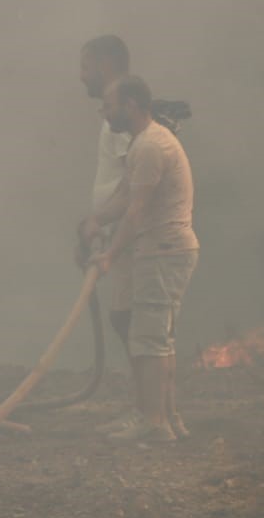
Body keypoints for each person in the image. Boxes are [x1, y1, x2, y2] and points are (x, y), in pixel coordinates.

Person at [82, 76, 199, 444]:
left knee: (150, 340)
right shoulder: (141, 143)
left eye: (109, 106)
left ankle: (155, 423)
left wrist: (109, 255)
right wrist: (96, 220)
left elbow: (135, 211)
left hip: (165, 249)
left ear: (131, 105)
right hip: (157, 250)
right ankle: (159, 415)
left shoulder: (152, 146)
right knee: (152, 337)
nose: (104, 113)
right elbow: (123, 198)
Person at [77, 35, 134, 359]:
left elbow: (134, 180)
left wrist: (100, 221)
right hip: (117, 232)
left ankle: (151, 408)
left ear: (105, 65)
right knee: (125, 319)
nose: (81, 76)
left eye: (86, 67)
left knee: (129, 319)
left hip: (130, 232)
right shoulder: (114, 112)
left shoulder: (122, 114)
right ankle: (149, 406)